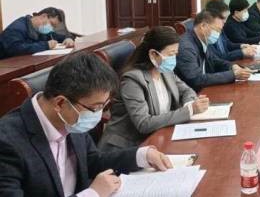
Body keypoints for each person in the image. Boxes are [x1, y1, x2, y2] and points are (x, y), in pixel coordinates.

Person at [0, 52, 172, 196]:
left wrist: (141, 156)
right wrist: (92, 194)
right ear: (60, 103)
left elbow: (91, 161)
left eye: (103, 106)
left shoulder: (70, 117)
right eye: (95, 108)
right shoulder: (7, 141)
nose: (98, 115)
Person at [99, 27, 210, 150]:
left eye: (175, 54)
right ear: (153, 54)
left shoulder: (165, 71)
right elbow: (144, 123)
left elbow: (186, 90)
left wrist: (190, 103)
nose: (174, 59)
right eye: (170, 54)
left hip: (157, 137)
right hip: (126, 147)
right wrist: (189, 110)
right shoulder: (132, 80)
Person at [176, 10, 252, 91]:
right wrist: (232, 75)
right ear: (203, 26)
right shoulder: (187, 47)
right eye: (217, 30)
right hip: (194, 93)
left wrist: (232, 66)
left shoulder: (202, 39)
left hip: (205, 88)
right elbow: (196, 79)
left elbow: (214, 60)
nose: (218, 34)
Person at [0, 7, 75, 58]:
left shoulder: (40, 29)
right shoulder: (17, 28)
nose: (51, 29)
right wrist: (45, 45)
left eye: (54, 27)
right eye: (52, 24)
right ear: (44, 16)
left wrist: (68, 38)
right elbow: (16, 49)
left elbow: (58, 37)